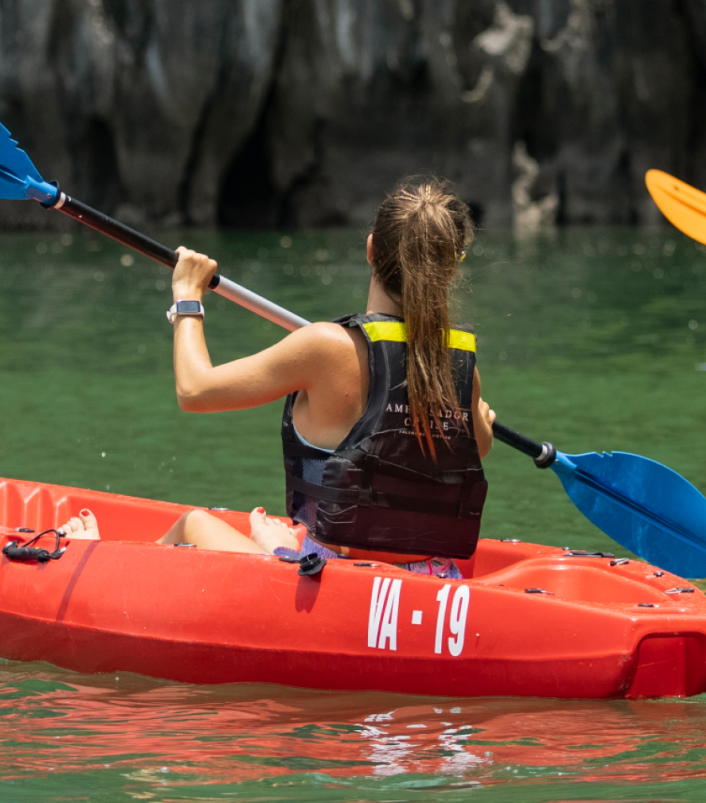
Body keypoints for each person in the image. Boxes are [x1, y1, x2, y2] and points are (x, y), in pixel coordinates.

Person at [158, 178, 495, 571]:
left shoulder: (325, 346)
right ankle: (280, 546)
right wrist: (480, 420)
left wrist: (187, 296)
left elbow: (194, 391)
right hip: (435, 578)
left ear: (371, 249)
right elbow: (477, 448)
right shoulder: (460, 368)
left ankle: (280, 548)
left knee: (193, 524)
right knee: (282, 538)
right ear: (450, 269)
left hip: (334, 577)